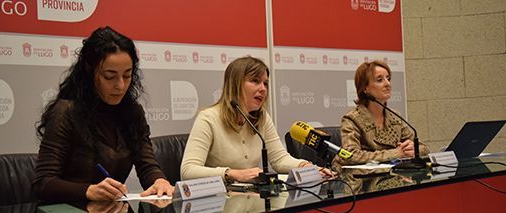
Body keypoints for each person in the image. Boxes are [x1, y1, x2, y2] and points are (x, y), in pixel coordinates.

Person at [33, 26, 174, 203]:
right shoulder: (66, 112)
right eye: (109, 76)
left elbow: (146, 164)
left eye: (127, 76)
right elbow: (43, 183)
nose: (120, 86)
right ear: (89, 70)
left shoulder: (133, 112)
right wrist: (88, 191)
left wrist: (159, 181)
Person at [181, 56, 329, 183]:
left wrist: (306, 167)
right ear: (235, 84)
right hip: (217, 207)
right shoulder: (209, 118)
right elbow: (188, 171)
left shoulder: (261, 117)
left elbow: (279, 159)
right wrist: (231, 173)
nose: (263, 88)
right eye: (255, 81)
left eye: (265, 83)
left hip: (252, 201)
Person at [335, 60, 429, 166]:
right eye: (380, 80)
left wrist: (412, 149)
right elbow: (351, 156)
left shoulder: (395, 117)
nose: (387, 84)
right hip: (358, 180)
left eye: (388, 79)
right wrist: (396, 153)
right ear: (365, 88)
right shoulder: (352, 119)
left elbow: (424, 148)